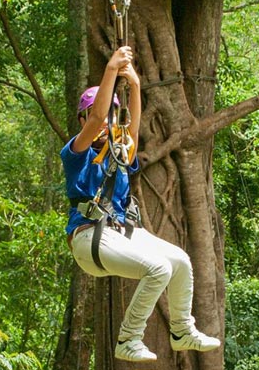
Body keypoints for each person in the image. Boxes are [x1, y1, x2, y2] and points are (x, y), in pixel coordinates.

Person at [61, 45, 220, 363]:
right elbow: (95, 119)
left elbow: (131, 129)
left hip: (121, 232)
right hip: (90, 237)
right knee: (158, 268)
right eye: (100, 116)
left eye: (111, 116)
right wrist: (110, 70)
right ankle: (129, 338)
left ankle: (181, 330)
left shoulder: (120, 154)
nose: (106, 122)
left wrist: (133, 85)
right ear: (83, 119)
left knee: (180, 261)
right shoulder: (76, 152)